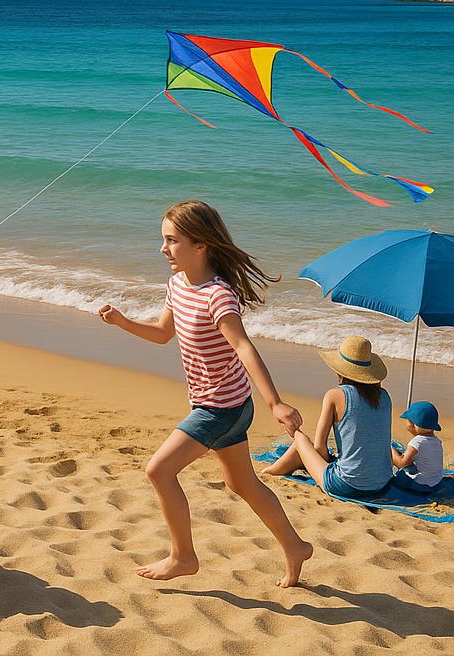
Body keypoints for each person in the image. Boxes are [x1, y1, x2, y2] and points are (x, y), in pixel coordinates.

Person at [97, 199, 312, 587]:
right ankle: (295, 546)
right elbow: (164, 334)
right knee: (242, 483)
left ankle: (183, 557)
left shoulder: (219, 296)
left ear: (201, 245)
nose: (163, 249)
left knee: (159, 470)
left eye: (171, 240)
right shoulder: (178, 285)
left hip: (223, 407)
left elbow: (244, 347)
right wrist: (123, 322)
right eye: (164, 240)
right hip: (217, 402)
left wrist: (275, 402)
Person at [265, 337, 394, 500]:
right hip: (382, 485)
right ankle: (280, 467)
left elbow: (320, 448)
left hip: (346, 486)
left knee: (300, 439)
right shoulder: (385, 397)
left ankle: (270, 472)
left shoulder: (335, 395)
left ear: (341, 369)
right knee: (305, 452)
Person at [391, 400, 444, 495]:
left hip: (421, 485)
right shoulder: (436, 440)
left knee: (398, 476)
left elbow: (401, 463)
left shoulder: (417, 442)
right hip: (436, 482)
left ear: (412, 425)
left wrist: (391, 450)